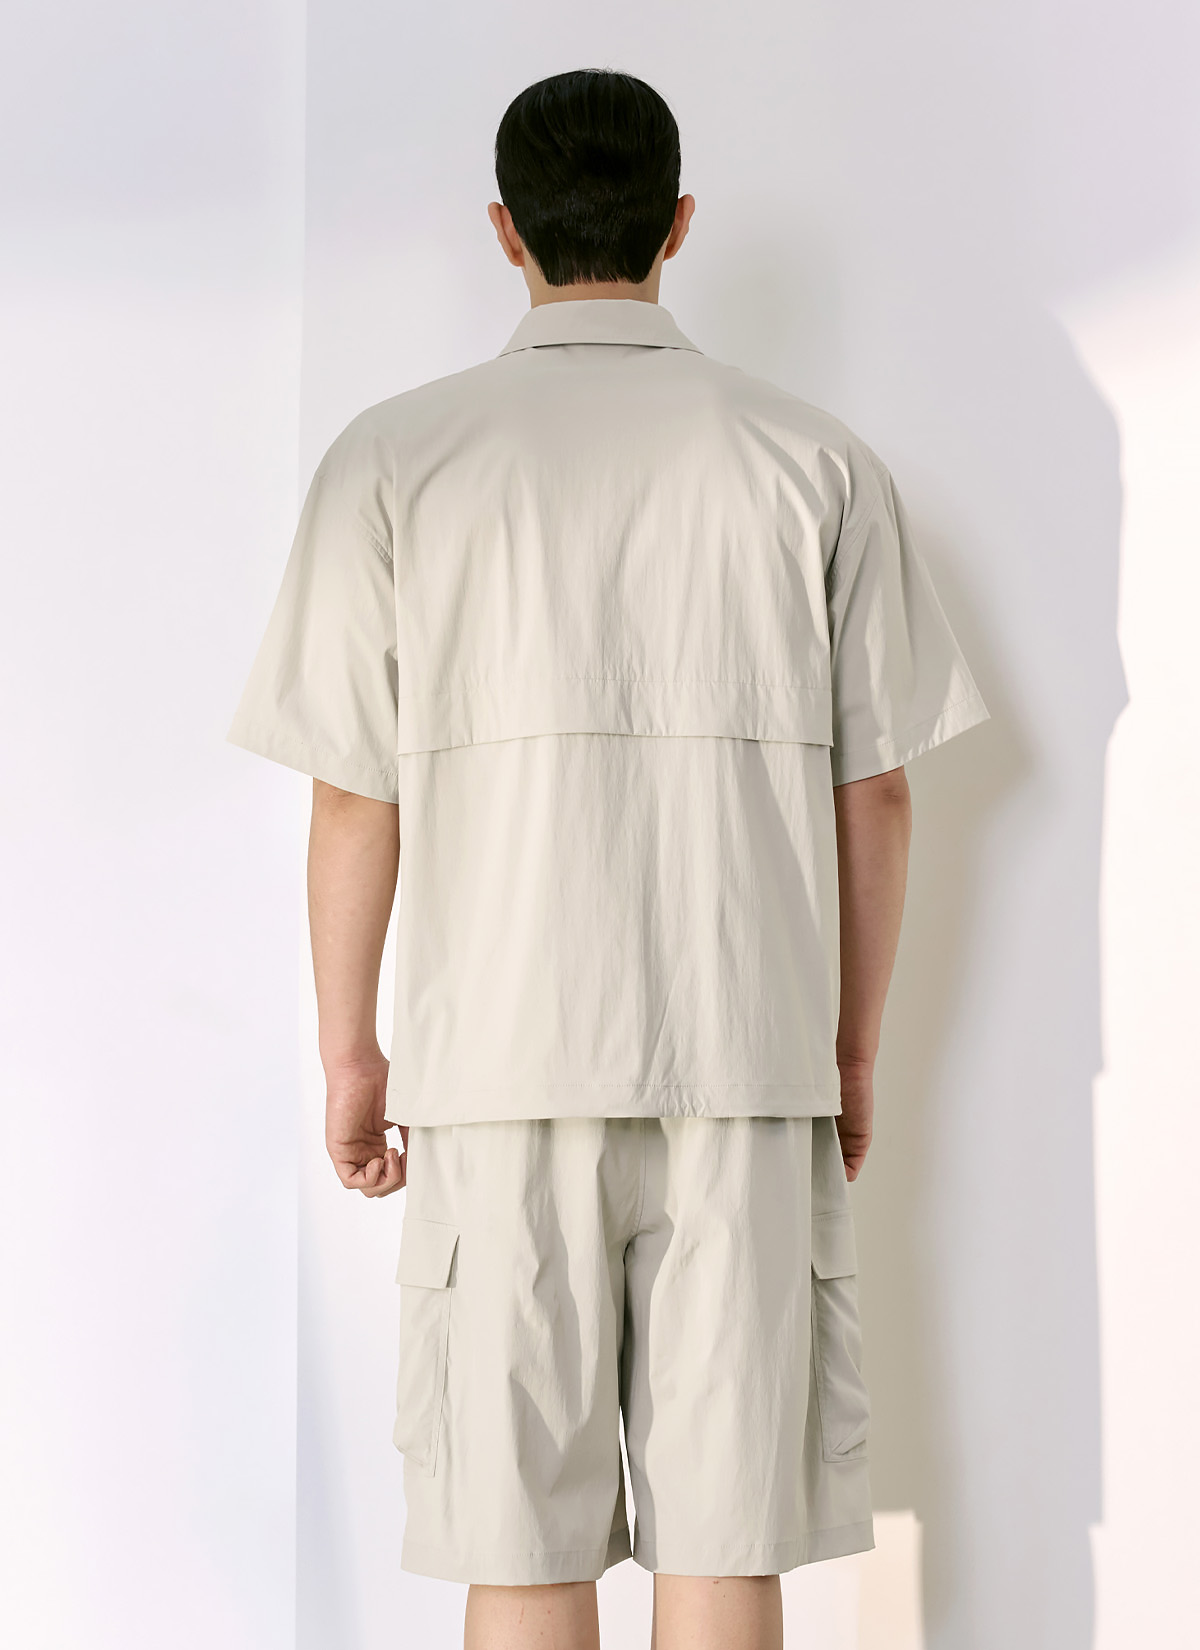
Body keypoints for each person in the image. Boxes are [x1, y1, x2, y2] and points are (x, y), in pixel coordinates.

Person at [229, 67, 988, 1650]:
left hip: (496, 1075)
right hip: (746, 1066)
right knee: (727, 1539)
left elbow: (354, 797)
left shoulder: (393, 461)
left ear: (505, 231)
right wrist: (848, 1050)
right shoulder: (813, 460)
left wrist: (353, 1055)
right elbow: (878, 792)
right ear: (677, 225)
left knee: (520, 1543)